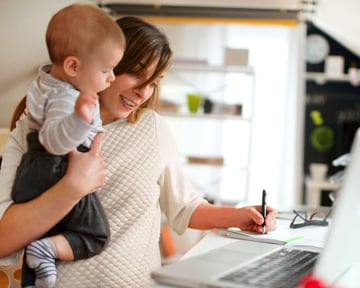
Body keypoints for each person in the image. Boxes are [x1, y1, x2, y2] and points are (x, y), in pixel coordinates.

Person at [0, 16, 277, 287]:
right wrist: (74, 187)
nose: (143, 92)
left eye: (154, 82)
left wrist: (241, 217)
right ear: (106, 64)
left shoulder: (153, 129)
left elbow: (185, 208)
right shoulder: (34, 128)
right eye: (136, 73)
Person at [9, 3, 125, 288]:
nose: (111, 78)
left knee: (40, 233)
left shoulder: (49, 82)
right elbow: (54, 141)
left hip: (41, 172)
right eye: (107, 70)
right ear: (73, 66)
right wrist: (80, 119)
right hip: (55, 167)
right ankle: (46, 251)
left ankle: (40, 258)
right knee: (95, 233)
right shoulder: (67, 98)